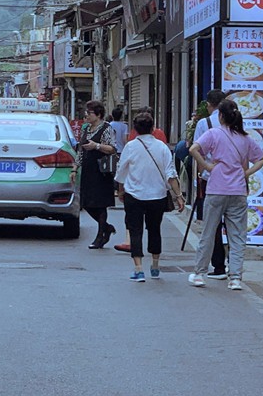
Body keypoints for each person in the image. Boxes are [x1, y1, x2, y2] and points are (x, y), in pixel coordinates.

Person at [188, 99, 263, 292]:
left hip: (216, 189)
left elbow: (193, 149)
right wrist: (246, 173)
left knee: (208, 232)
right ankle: (235, 278)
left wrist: (207, 166)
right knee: (237, 236)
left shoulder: (214, 133)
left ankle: (199, 274)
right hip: (238, 191)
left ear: (221, 116)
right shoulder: (246, 138)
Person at [113, 111, 184, 281]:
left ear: (135, 129)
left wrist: (121, 190)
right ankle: (155, 265)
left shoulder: (130, 146)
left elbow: (121, 172)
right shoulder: (162, 147)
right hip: (157, 196)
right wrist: (179, 195)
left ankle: (138, 269)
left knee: (135, 231)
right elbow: (171, 174)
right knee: (155, 229)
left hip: (134, 195)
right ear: (152, 128)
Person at [191, 89, 229, 279]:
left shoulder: (203, 123)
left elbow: (196, 150)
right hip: (234, 180)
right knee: (233, 224)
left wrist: (202, 171)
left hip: (210, 178)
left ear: (209, 104)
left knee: (212, 223)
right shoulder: (235, 122)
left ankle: (218, 265)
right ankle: (235, 266)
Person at [77, 100, 118, 249]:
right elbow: (80, 150)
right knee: (86, 203)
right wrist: (75, 168)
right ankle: (107, 228)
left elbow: (112, 148)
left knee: (100, 205)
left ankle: (101, 236)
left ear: (99, 114)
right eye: (86, 112)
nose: (86, 115)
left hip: (101, 171)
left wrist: (96, 146)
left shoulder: (107, 129)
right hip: (88, 170)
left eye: (90, 112)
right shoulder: (86, 128)